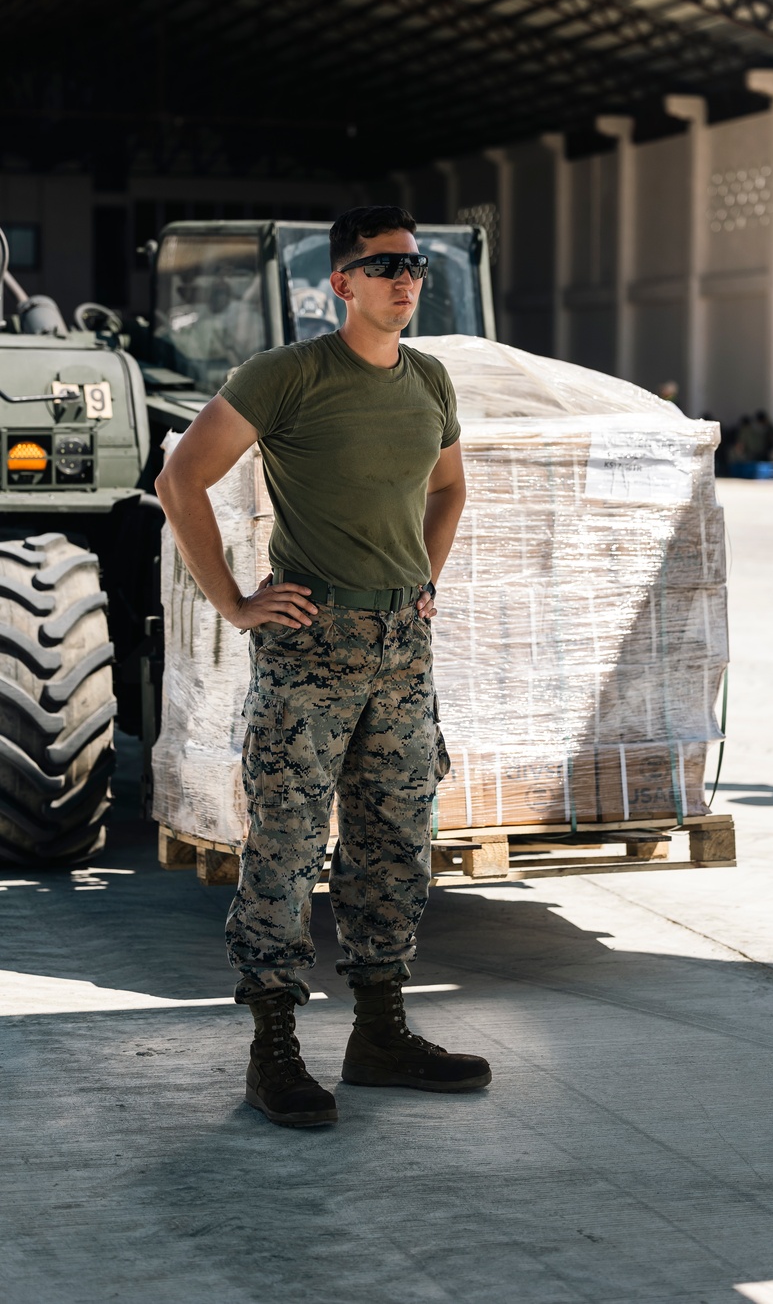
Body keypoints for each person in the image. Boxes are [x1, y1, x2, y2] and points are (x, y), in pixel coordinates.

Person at [155, 205, 491, 1129]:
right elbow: (181, 479)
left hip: (400, 652)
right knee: (288, 849)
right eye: (383, 265)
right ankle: (273, 1049)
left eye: (415, 263)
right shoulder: (288, 376)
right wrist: (233, 603)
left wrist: (426, 575)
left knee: (395, 844)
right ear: (340, 283)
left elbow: (450, 486)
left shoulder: (428, 381)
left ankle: (379, 1032)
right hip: (311, 649)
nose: (405, 278)